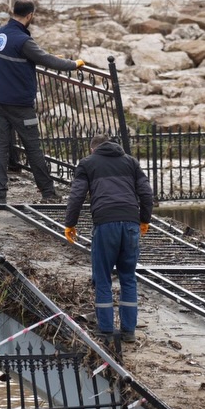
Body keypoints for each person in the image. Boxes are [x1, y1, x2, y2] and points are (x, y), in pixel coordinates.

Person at [0, 0, 83, 205]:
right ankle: (48, 192)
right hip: (19, 104)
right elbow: (47, 60)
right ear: (30, 15)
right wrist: (73, 64)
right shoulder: (23, 40)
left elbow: (32, 57)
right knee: (33, 147)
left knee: (1, 147)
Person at [63, 133, 153, 343]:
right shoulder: (131, 162)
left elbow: (77, 196)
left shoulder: (87, 164)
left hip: (105, 224)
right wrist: (144, 219)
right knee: (128, 277)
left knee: (102, 277)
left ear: (93, 149)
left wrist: (70, 223)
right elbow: (146, 193)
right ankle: (128, 331)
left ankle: (106, 329)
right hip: (131, 224)